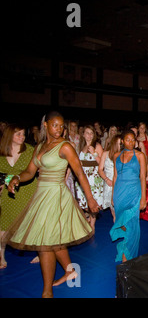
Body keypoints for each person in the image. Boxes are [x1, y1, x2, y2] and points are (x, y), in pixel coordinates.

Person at [3, 111, 99, 298]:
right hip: (41, 195)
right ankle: (70, 271)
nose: (59, 129)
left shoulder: (65, 147)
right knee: (52, 240)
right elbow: (30, 172)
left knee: (46, 243)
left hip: (56, 196)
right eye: (55, 125)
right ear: (45, 125)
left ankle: (47, 292)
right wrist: (15, 177)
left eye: (62, 125)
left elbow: (79, 173)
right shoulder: (39, 147)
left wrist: (90, 198)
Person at [0, 124, 38, 269]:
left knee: (31, 223)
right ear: (10, 136)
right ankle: (1, 256)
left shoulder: (29, 151)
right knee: (3, 223)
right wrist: (4, 181)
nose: (22, 137)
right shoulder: (2, 151)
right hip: (7, 193)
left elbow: (32, 171)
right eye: (18, 134)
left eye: (23, 134)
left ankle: (40, 252)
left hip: (27, 189)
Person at [110, 131, 147, 262]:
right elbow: (114, 177)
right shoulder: (116, 155)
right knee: (123, 223)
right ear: (122, 141)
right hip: (119, 193)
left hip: (134, 192)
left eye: (133, 140)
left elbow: (143, 177)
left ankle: (128, 255)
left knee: (132, 223)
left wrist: (143, 197)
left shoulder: (140, 156)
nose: (130, 143)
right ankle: (126, 246)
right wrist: (112, 195)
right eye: (128, 140)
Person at [75, 125, 104, 229]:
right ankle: (87, 219)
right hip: (83, 177)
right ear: (83, 134)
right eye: (87, 133)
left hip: (94, 178)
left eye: (91, 133)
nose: (89, 135)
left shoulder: (97, 146)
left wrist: (94, 153)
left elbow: (102, 163)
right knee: (83, 201)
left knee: (94, 202)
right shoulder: (80, 146)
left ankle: (92, 224)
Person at [99, 134, 122, 222]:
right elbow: (100, 169)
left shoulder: (123, 155)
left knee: (120, 209)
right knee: (113, 210)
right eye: (119, 143)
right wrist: (106, 179)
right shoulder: (105, 154)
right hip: (109, 183)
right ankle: (117, 229)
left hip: (119, 183)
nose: (120, 146)